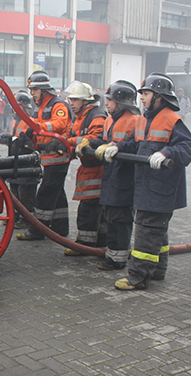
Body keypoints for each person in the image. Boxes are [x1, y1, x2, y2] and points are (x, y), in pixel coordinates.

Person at [103, 73, 191, 290]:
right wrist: (118, 147)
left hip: (160, 189)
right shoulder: (144, 119)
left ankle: (137, 277)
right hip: (146, 187)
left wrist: (167, 153)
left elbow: (188, 149)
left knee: (146, 231)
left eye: (146, 93)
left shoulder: (172, 119)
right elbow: (136, 145)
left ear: (159, 96)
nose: (142, 97)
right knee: (157, 231)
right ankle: (157, 271)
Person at [88, 80, 140, 270]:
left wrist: (116, 147)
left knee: (121, 218)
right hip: (111, 175)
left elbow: (136, 145)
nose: (106, 103)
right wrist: (89, 143)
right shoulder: (110, 119)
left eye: (110, 100)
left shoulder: (135, 121)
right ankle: (112, 253)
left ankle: (118, 259)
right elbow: (103, 140)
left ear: (122, 102)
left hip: (125, 176)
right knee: (111, 216)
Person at [16, 71, 73, 240]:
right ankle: (61, 228)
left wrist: (36, 127)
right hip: (49, 156)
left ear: (44, 89)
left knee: (45, 194)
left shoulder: (58, 105)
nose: (32, 93)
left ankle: (37, 230)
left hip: (58, 156)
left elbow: (59, 123)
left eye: (34, 89)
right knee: (57, 192)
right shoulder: (40, 106)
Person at [61, 81, 107, 255]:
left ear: (86, 101)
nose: (71, 103)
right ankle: (101, 241)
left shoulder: (96, 116)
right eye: (71, 99)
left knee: (88, 208)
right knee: (95, 207)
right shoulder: (80, 117)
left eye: (75, 100)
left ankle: (84, 245)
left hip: (97, 169)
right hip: (88, 168)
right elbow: (73, 136)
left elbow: (93, 139)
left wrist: (67, 143)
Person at [0, 90, 39, 229]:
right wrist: (1, 137)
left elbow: (33, 143)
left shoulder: (30, 122)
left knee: (26, 194)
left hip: (26, 162)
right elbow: (12, 136)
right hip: (15, 161)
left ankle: (27, 219)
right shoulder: (15, 121)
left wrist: (22, 141)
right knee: (14, 192)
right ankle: (15, 216)